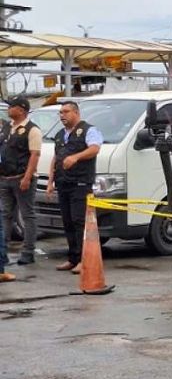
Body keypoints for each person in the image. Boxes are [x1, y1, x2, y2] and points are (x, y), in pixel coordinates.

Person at [46, 102, 102, 274]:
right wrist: (50, 181)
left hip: (80, 183)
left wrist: (76, 157)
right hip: (64, 184)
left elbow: (94, 148)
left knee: (80, 223)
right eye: (60, 112)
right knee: (68, 222)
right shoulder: (59, 135)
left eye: (66, 112)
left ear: (76, 113)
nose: (62, 115)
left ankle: (83, 260)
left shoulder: (88, 130)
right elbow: (56, 158)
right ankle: (73, 258)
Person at [0, 96, 42, 265]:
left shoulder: (32, 130)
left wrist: (27, 177)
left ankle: (28, 252)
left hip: (22, 179)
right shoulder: (6, 128)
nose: (9, 109)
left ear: (22, 110)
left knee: (27, 215)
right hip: (5, 179)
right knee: (5, 216)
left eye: (12, 106)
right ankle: (3, 253)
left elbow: (35, 155)